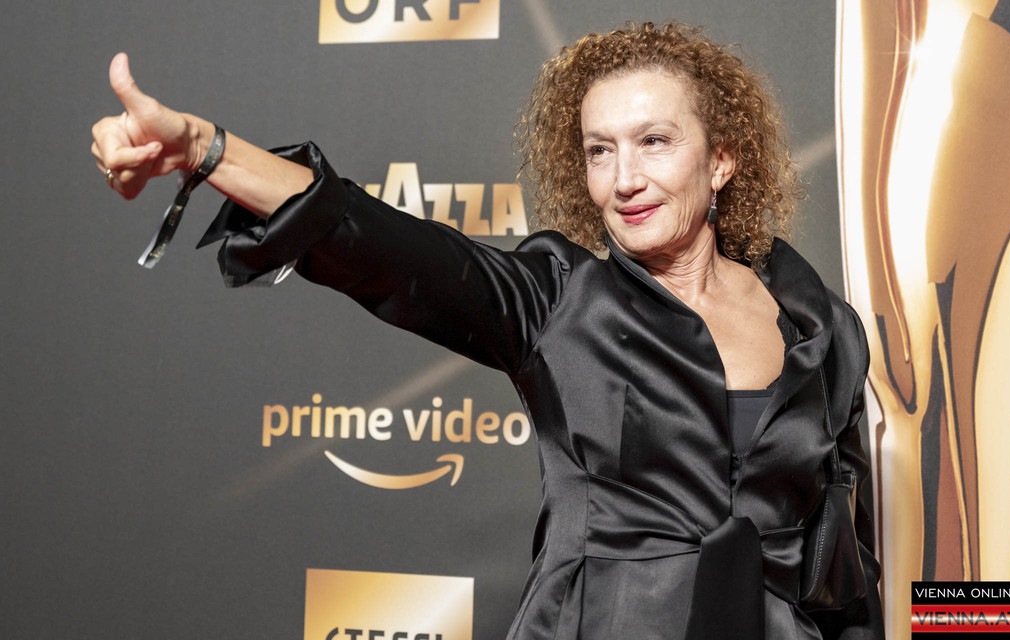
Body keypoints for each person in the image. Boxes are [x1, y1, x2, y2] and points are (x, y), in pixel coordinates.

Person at [92, 22, 883, 640]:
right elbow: (383, 243)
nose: (625, 179)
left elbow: (846, 573)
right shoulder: (561, 301)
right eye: (599, 150)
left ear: (721, 162)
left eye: (655, 142)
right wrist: (206, 150)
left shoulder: (823, 329)